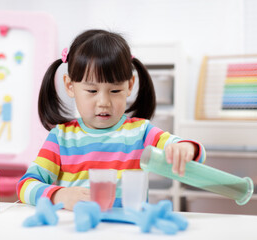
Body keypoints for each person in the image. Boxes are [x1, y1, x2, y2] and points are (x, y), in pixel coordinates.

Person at [17, 29, 205, 211]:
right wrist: (60, 196)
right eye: (92, 91)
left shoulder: (141, 132)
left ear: (130, 85)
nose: (104, 102)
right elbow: (25, 186)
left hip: (128, 230)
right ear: (70, 86)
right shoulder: (61, 137)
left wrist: (187, 148)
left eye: (115, 91)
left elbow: (192, 152)